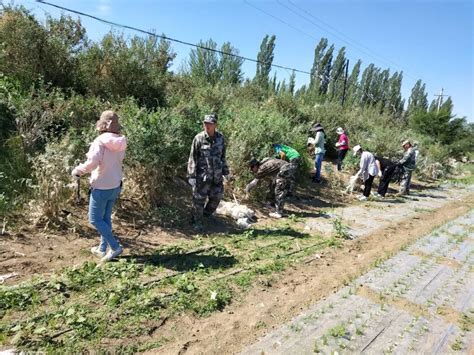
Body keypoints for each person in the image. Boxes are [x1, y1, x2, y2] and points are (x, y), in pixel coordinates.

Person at [72, 110, 127, 262]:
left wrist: (78, 171)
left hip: (101, 186)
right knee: (105, 218)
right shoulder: (121, 140)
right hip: (115, 185)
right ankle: (102, 249)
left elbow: (93, 163)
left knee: (95, 219)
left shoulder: (100, 141)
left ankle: (115, 247)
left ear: (102, 124)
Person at [187, 113, 230, 230]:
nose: (207, 126)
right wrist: (191, 175)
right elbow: (192, 157)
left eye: (210, 124)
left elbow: (223, 157)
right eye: (205, 123)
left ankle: (205, 216)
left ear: (215, 124)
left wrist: (226, 172)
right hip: (203, 176)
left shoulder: (220, 138)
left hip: (216, 176)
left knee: (217, 197)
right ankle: (196, 222)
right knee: (198, 200)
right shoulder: (198, 138)